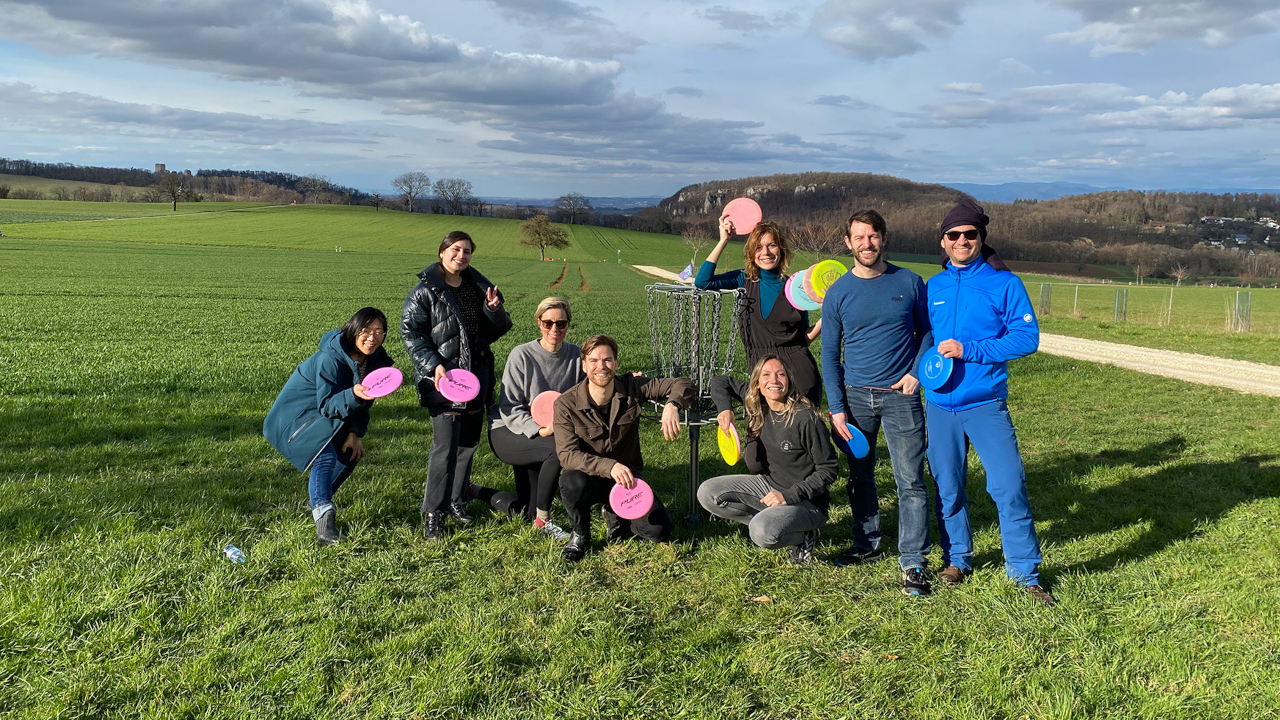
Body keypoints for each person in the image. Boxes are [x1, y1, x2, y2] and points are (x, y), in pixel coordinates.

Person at [925, 198, 1054, 606]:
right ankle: (957, 558)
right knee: (948, 486)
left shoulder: (1005, 283)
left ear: (981, 238)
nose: (962, 240)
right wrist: (917, 372)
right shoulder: (935, 286)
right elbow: (927, 339)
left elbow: (1026, 339)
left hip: (984, 403)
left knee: (1009, 485)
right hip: (939, 405)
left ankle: (1025, 573)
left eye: (970, 234)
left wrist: (970, 349)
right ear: (943, 241)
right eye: (954, 235)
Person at [820, 209, 934, 597]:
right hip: (855, 400)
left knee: (910, 481)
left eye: (873, 236)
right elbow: (830, 355)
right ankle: (866, 544)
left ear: (884, 239)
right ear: (847, 243)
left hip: (901, 397)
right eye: (859, 237)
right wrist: (837, 407)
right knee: (860, 477)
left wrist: (916, 372)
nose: (867, 244)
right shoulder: (838, 293)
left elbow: (927, 332)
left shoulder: (910, 281)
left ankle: (914, 561)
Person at [402, 230, 513, 540]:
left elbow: (495, 331)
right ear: (442, 252)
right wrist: (433, 365)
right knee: (445, 449)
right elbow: (412, 335)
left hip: (477, 376)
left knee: (467, 445)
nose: (461, 255)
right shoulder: (425, 292)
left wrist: (493, 310)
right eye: (455, 249)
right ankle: (433, 515)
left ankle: (457, 502)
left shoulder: (478, 288)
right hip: (445, 379)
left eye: (467, 251)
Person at [552, 335, 695, 561]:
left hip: (628, 481)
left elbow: (683, 383)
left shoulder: (632, 387)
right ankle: (580, 534)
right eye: (594, 361)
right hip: (588, 477)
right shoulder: (565, 404)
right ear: (584, 365)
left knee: (658, 531)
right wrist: (609, 467)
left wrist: (672, 404)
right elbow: (567, 456)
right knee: (571, 482)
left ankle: (614, 511)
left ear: (616, 363)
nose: (601, 367)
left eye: (607, 360)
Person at [263, 307, 394, 545]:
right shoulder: (329, 359)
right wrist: (354, 395)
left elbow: (362, 405)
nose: (372, 337)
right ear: (353, 330)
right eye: (366, 330)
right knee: (324, 454)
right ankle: (325, 527)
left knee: (350, 454)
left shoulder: (373, 364)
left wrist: (354, 433)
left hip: (325, 416)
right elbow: (326, 405)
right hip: (295, 419)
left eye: (379, 331)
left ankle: (317, 503)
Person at [698, 356, 838, 565]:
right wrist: (724, 409)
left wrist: (789, 496)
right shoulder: (758, 402)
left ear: (789, 380)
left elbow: (829, 469)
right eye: (766, 375)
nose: (774, 380)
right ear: (757, 383)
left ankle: (805, 535)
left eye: (780, 374)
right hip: (769, 485)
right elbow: (720, 381)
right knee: (708, 493)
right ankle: (775, 520)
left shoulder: (805, 418)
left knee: (762, 532)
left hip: (807, 502)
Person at [694, 218, 822, 405]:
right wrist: (723, 240)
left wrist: (826, 317)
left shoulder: (794, 287)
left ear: (782, 250)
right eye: (759, 247)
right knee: (765, 429)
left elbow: (803, 339)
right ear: (751, 253)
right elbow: (703, 282)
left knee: (802, 431)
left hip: (797, 374)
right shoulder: (743, 279)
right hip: (761, 372)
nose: (766, 253)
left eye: (772, 245)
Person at [488, 297, 584, 540]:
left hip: (546, 432)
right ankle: (543, 520)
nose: (554, 329)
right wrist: (538, 429)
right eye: (548, 323)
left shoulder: (576, 356)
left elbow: (597, 382)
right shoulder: (521, 355)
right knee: (556, 451)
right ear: (538, 323)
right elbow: (509, 407)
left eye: (561, 324)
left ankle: (475, 491)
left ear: (568, 324)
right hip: (509, 429)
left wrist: (628, 381)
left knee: (524, 511)